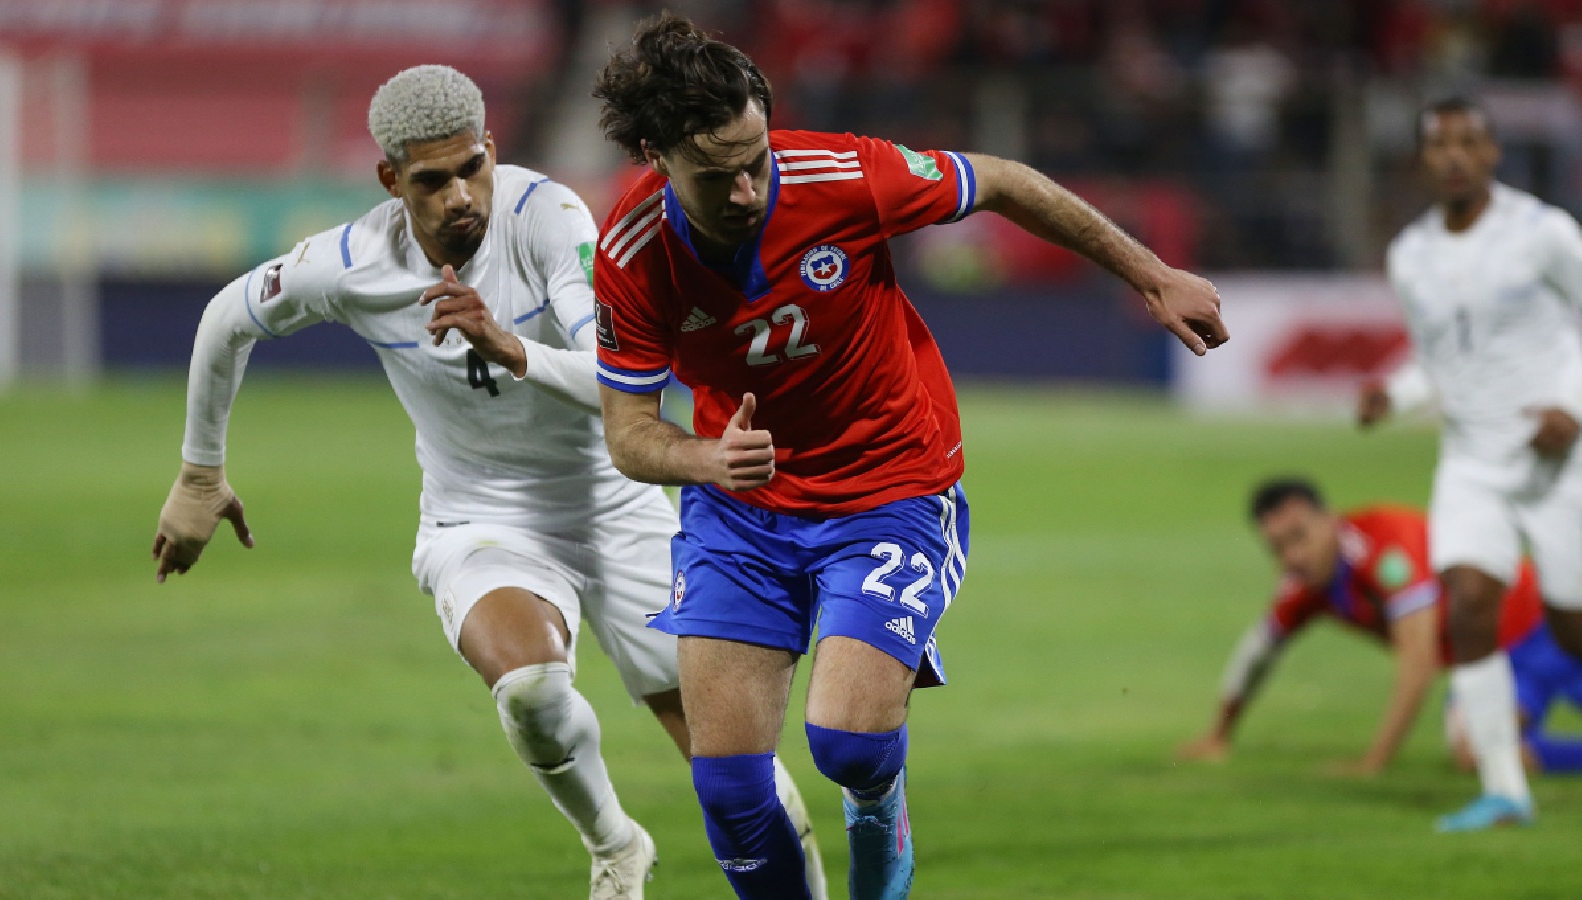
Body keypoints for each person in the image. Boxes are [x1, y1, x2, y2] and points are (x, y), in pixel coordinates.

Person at [148, 65, 825, 900]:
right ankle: (616, 845)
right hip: (482, 517)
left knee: (735, 770)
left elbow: (624, 385)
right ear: (392, 180)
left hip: (615, 504)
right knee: (533, 689)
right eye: (432, 181)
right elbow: (228, 318)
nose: (461, 196)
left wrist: (513, 348)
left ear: (492, 151)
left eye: (473, 168)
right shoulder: (351, 264)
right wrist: (199, 475)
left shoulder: (551, 220)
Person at [589, 14, 1227, 899]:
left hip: (889, 488)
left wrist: (1152, 274)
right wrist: (704, 460)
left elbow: (1002, 182)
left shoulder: (842, 174)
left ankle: (879, 804)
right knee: (730, 788)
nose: (745, 192)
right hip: (741, 510)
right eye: (716, 176)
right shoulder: (630, 253)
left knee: (847, 745)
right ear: (657, 155)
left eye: (756, 160)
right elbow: (626, 433)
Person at [1359, 97, 1582, 831]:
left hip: (1561, 455)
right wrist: (1390, 396)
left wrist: (1572, 409)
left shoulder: (1544, 233)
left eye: (1469, 142)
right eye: (1440, 144)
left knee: (1572, 621)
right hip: (1472, 460)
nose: (1454, 155)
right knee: (1468, 600)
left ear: (1492, 154)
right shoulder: (1410, 256)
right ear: (1423, 160)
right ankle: (1504, 790)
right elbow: (1441, 365)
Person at [1179, 478, 1582, 777]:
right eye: (1278, 548)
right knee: (1472, 750)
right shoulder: (1304, 587)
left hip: (1553, 626)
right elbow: (1258, 652)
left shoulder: (1386, 545)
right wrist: (1220, 733)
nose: (1293, 556)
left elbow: (1418, 663)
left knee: (1480, 745)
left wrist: (1374, 761)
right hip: (1495, 661)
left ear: (1329, 519)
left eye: (1299, 537)